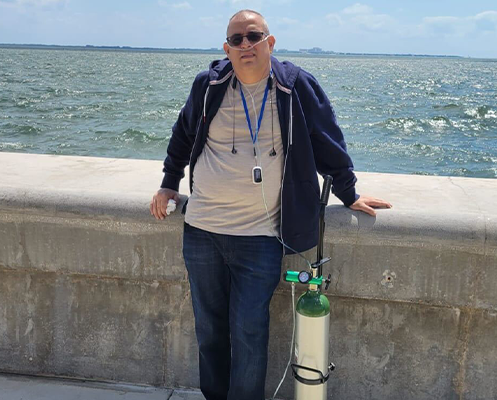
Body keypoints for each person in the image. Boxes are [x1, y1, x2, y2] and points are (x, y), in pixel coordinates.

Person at [150, 9, 391, 400]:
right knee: (209, 330)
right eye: (237, 39)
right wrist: (167, 185)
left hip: (260, 236)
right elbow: (182, 135)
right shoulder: (208, 85)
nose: (246, 45)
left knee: (249, 331)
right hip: (202, 232)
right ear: (226, 49)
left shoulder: (295, 87)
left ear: (270, 43)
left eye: (254, 36)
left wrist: (350, 193)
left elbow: (328, 139)